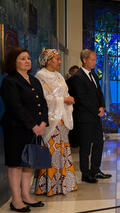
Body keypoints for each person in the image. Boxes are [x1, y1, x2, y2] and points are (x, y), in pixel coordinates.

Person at [0, 47, 48, 212]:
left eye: (28, 58)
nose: (27, 61)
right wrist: (33, 125)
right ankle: (16, 200)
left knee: (28, 163)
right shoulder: (9, 81)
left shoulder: (34, 80)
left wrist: (43, 122)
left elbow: (42, 103)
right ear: (14, 62)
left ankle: (26, 196)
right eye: (22, 58)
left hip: (34, 129)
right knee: (16, 164)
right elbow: (16, 107)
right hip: (16, 129)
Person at [32, 49, 78, 196]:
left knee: (62, 151)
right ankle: (49, 186)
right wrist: (63, 100)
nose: (59, 61)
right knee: (51, 152)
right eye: (57, 59)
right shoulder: (40, 76)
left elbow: (64, 93)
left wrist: (68, 99)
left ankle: (63, 184)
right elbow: (42, 99)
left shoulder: (59, 76)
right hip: (51, 119)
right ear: (48, 60)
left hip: (62, 118)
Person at [68, 49, 111, 183]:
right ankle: (86, 174)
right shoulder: (77, 77)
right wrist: (96, 110)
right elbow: (82, 99)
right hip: (85, 118)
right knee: (85, 147)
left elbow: (99, 94)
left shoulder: (94, 75)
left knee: (99, 143)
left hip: (95, 117)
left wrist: (102, 106)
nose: (95, 62)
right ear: (84, 60)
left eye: (95, 59)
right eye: (92, 59)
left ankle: (95, 170)